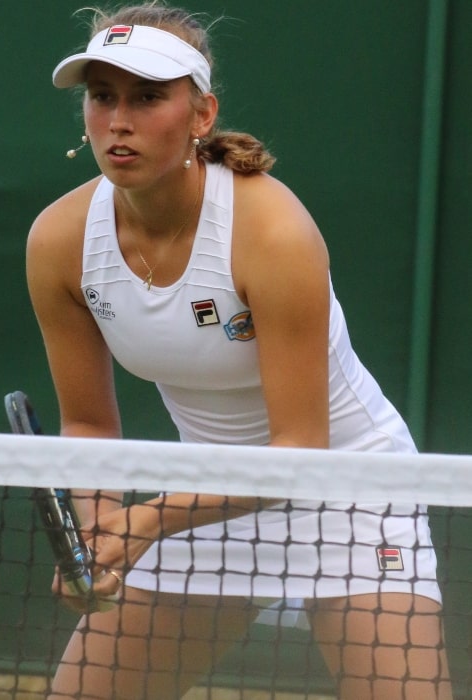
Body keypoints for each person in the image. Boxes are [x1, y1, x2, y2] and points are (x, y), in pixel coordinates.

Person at [27, 2, 452, 699]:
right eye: (102, 96)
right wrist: (101, 529)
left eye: (147, 97)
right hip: (205, 501)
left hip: (348, 493)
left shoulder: (272, 231)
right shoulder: (59, 242)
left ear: (201, 115)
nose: (118, 120)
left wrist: (147, 519)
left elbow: (299, 452)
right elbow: (91, 427)